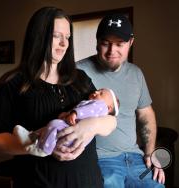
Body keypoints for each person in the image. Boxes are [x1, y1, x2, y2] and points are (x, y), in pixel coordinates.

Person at [0, 7, 116, 188]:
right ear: (38, 37)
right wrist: (40, 146)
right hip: (38, 181)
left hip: (87, 181)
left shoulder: (80, 79)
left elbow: (111, 120)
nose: (64, 43)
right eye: (56, 36)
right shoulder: (12, 83)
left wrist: (91, 126)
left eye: (67, 37)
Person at [74, 14, 165, 187]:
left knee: (157, 185)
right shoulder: (77, 72)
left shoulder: (136, 73)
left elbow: (146, 114)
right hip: (100, 160)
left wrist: (150, 154)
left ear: (131, 42)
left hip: (136, 159)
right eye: (105, 43)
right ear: (97, 42)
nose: (111, 51)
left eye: (119, 44)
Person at [14, 88, 119, 156]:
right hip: (70, 133)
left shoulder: (100, 106)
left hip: (72, 134)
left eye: (101, 93)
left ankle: (43, 149)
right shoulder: (93, 104)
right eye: (98, 90)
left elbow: (84, 111)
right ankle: (32, 137)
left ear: (109, 108)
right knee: (48, 128)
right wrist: (66, 114)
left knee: (53, 125)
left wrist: (74, 113)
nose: (96, 92)